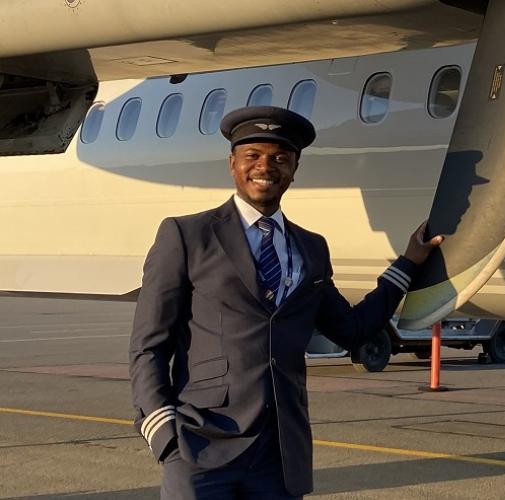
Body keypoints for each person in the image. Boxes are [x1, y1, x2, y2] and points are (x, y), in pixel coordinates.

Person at [129, 106, 443, 499]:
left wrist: (407, 265)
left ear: (295, 168)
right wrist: (161, 431)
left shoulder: (310, 248)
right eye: (253, 156)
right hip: (200, 445)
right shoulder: (187, 235)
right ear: (232, 164)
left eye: (280, 158)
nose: (266, 166)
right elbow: (148, 344)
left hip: (279, 454)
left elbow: (352, 329)